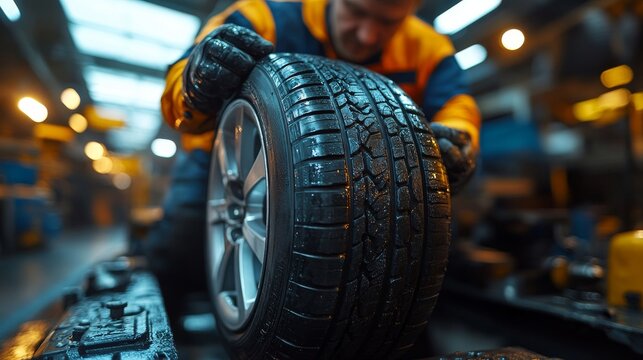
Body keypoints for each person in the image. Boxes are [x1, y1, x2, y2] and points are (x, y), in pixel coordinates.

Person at [146, 0, 481, 326]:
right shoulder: (262, 18)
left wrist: (457, 140)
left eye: (388, 23)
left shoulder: (427, 48)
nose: (367, 35)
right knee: (177, 247)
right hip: (228, 166)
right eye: (357, 12)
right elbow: (179, 88)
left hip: (367, 173)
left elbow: (458, 108)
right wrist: (195, 83)